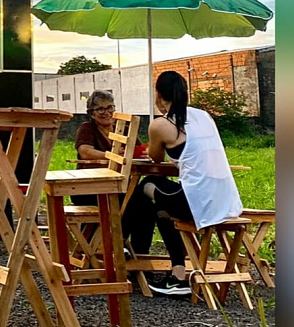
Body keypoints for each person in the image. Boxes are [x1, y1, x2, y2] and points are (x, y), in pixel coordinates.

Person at [142, 71, 243, 295]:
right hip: (225, 199)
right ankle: (176, 273)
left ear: (158, 95)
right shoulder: (204, 116)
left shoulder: (161, 125)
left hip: (196, 203)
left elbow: (156, 157)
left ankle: (171, 270)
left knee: (148, 185)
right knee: (163, 199)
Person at [72, 90, 156, 260]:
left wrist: (143, 154)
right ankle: (113, 246)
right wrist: (113, 155)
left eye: (110, 107)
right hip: (89, 189)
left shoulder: (123, 128)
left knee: (146, 206)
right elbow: (85, 151)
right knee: (128, 204)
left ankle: (140, 256)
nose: (106, 113)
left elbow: (138, 150)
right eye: (100, 109)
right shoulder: (87, 128)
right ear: (92, 114)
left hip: (119, 187)